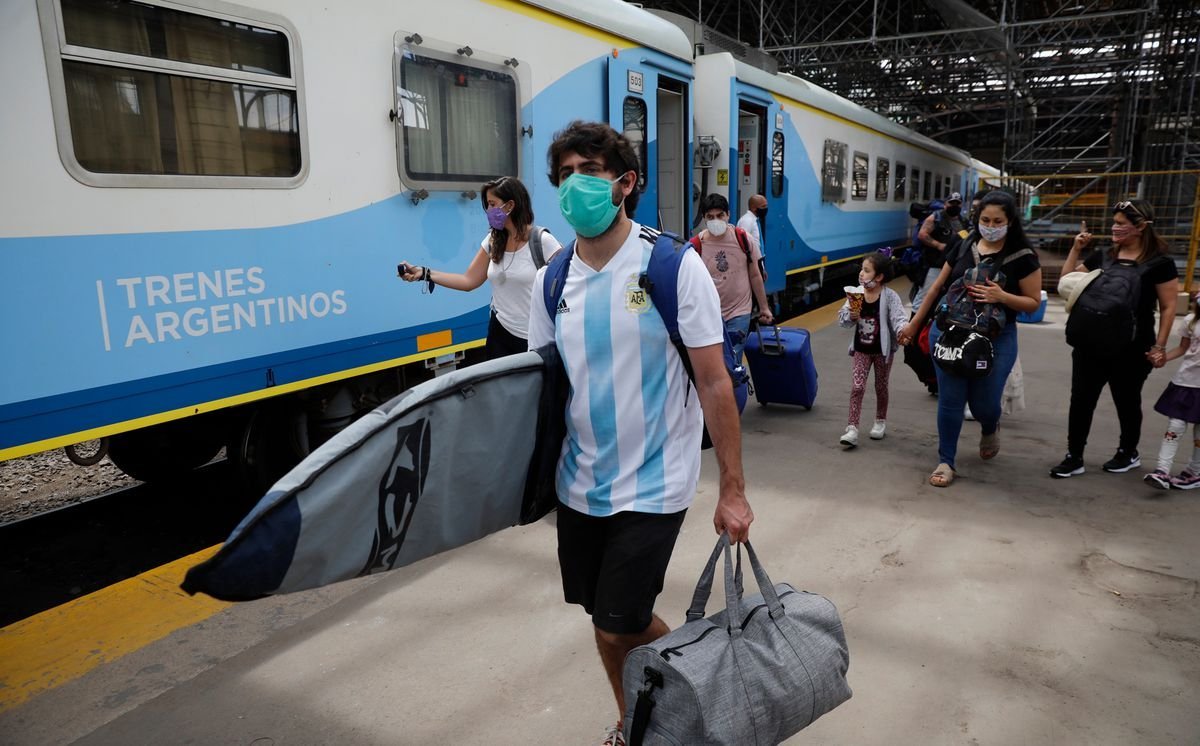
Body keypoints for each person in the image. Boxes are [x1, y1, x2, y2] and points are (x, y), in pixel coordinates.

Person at [528, 120, 754, 746]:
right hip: (579, 483)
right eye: (566, 174)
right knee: (603, 621)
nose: (576, 186)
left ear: (624, 184)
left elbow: (715, 384)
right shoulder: (553, 282)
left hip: (655, 481)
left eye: (590, 174)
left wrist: (731, 489)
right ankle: (636, 717)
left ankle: (701, 688)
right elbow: (543, 390)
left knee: (617, 618)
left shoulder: (671, 266)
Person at [898, 190, 1043, 487]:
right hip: (950, 332)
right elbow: (937, 286)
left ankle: (990, 425)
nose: (990, 225)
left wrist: (1002, 296)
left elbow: (1032, 302)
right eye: (985, 219)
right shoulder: (964, 243)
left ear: (1011, 222)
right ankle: (945, 460)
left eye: (997, 220)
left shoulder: (1024, 257)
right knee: (950, 400)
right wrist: (913, 325)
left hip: (995, 339)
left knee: (984, 404)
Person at [1050, 200, 1179, 478]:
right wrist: (1076, 249)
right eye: (1115, 222)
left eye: (1122, 223)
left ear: (1141, 226)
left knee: (1126, 399)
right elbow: (1066, 283)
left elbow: (1168, 306)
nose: (1115, 228)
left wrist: (1160, 345)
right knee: (1081, 399)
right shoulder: (1104, 255)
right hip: (1091, 341)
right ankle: (1074, 456)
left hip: (1133, 346)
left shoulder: (1160, 263)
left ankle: (1127, 452)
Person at [399, 176, 560, 359]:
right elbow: (468, 281)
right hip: (500, 334)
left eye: (492, 204)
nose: (488, 211)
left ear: (510, 206)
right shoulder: (493, 240)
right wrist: (425, 273)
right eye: (487, 205)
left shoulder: (543, 241)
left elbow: (566, 286)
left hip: (535, 340)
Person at [837, 251, 908, 447]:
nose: (861, 273)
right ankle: (852, 428)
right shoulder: (856, 293)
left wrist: (903, 331)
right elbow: (844, 320)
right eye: (861, 269)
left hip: (883, 352)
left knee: (881, 386)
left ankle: (880, 421)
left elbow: (898, 318)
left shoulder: (890, 296)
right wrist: (850, 316)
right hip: (861, 350)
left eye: (866, 270)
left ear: (879, 277)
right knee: (857, 387)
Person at [695, 193, 773, 362]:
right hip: (709, 314)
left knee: (732, 362)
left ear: (728, 215)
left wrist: (764, 307)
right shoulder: (697, 245)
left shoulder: (743, 239)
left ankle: (734, 387)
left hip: (739, 312)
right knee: (714, 364)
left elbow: (755, 275)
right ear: (704, 219)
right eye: (710, 217)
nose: (716, 220)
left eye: (720, 215)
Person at [1144, 292, 1200, 490]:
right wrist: (1162, 358)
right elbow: (1183, 348)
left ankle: (1194, 473)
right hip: (1185, 383)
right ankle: (1162, 471)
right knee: (1174, 427)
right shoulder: (1190, 321)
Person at [912, 192, 967, 309]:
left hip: (952, 266)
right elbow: (922, 234)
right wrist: (938, 245)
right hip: (934, 264)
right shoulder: (936, 217)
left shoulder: (963, 222)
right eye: (952, 203)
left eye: (957, 203)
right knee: (925, 295)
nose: (954, 206)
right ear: (945, 204)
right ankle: (915, 320)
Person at [737, 193, 768, 283]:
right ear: (754, 207)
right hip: (751, 264)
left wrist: (762, 268)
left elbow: (757, 246)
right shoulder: (747, 221)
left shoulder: (754, 220)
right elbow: (743, 245)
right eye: (763, 206)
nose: (766, 209)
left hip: (757, 262)